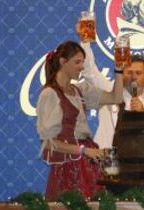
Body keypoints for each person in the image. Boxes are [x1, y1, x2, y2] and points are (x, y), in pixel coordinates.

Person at [36, 41, 123, 201]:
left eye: (83, 62)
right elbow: (49, 143)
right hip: (68, 164)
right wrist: (83, 150)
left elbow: (116, 97)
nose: (82, 67)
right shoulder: (50, 94)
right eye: (77, 62)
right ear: (63, 62)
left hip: (87, 160)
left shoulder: (80, 90)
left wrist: (118, 69)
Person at [80, 42, 144, 149]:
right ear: (122, 74)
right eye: (129, 72)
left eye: (138, 73)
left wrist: (143, 116)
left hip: (137, 161)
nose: (133, 77)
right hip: (106, 160)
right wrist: (85, 42)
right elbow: (90, 72)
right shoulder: (109, 90)